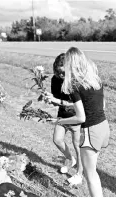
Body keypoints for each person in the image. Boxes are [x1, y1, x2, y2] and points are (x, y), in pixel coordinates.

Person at [49, 47, 110, 197]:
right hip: (104, 127)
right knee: (92, 171)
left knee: (91, 176)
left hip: (91, 131)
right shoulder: (94, 80)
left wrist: (60, 121)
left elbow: (81, 118)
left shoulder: (74, 86)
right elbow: (101, 106)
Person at [43, 53, 83, 186]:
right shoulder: (55, 80)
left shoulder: (75, 82)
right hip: (62, 115)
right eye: (58, 72)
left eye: (63, 73)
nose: (60, 76)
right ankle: (70, 159)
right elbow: (56, 101)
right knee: (57, 139)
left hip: (75, 117)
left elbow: (77, 104)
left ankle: (79, 174)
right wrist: (49, 99)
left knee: (78, 146)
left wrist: (57, 100)